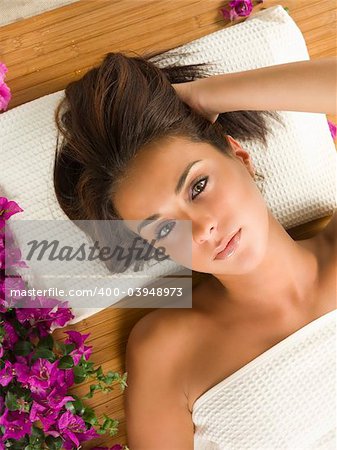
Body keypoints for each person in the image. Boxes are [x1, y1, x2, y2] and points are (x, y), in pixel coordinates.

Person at [53, 53, 337, 449]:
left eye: (198, 187)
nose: (202, 229)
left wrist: (208, 97)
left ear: (237, 153)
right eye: (165, 227)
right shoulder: (167, 350)